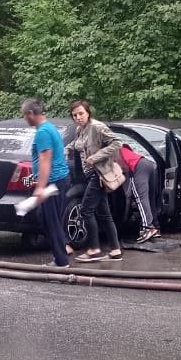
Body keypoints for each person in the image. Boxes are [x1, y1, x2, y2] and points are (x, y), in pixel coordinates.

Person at [68, 100, 124, 263]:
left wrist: (96, 157)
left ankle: (94, 249)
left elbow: (117, 143)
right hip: (89, 175)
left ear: (88, 113)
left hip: (98, 174)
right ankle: (115, 250)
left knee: (86, 210)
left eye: (81, 113)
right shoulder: (80, 129)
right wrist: (66, 149)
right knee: (104, 214)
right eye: (74, 115)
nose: (78, 117)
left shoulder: (97, 127)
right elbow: (76, 144)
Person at [22, 99, 72, 268]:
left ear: (31, 113)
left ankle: (61, 261)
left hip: (54, 181)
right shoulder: (49, 128)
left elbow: (45, 160)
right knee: (44, 217)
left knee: (51, 220)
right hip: (56, 180)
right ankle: (62, 250)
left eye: (25, 115)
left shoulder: (43, 132)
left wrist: (40, 187)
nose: (25, 119)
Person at [120, 142, 160, 243]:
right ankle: (155, 227)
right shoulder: (122, 148)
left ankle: (148, 228)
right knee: (150, 198)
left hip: (137, 167)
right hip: (148, 164)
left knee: (140, 198)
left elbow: (124, 169)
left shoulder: (112, 153)